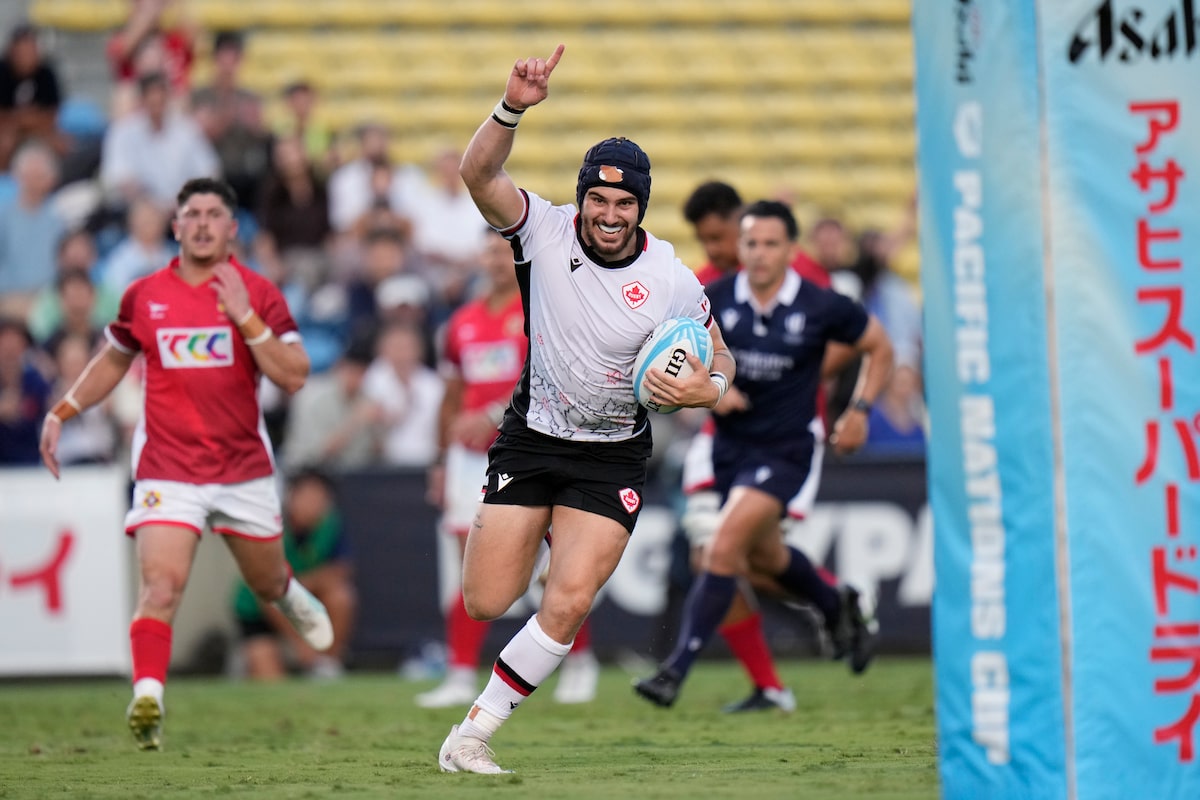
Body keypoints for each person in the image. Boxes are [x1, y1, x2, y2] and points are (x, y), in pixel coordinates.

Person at [436, 44, 734, 775]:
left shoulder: (668, 276)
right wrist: (512, 108)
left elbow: (719, 355)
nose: (607, 214)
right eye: (597, 200)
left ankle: (471, 735)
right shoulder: (541, 228)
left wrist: (710, 389)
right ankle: (537, 565)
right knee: (484, 599)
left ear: (641, 208)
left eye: (623, 203)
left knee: (567, 602)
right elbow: (478, 174)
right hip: (532, 438)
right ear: (583, 199)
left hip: (612, 454)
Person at [37, 177, 334, 751]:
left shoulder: (258, 292)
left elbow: (294, 374)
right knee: (161, 585)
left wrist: (247, 319)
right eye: (190, 213)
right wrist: (65, 408)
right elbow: (113, 359)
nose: (200, 222)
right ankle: (148, 696)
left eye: (213, 213)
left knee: (266, 579)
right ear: (175, 228)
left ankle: (289, 592)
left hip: (242, 467)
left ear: (230, 228)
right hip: (167, 468)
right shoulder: (143, 295)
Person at [634, 200, 894, 709]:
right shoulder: (716, 299)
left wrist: (859, 409)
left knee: (721, 548)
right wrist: (712, 387)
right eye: (751, 242)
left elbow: (879, 346)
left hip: (786, 450)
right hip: (729, 447)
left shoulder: (820, 305)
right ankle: (835, 603)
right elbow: (689, 358)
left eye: (771, 243)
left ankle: (674, 670)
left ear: (790, 250)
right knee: (764, 558)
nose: (759, 253)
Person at [417, 229, 597, 709]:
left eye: (504, 251)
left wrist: (495, 413)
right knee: (469, 568)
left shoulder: (538, 310)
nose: (496, 261)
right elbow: (452, 397)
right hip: (468, 458)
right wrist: (440, 457)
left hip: (527, 451)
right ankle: (459, 672)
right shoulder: (461, 323)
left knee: (550, 569)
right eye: (489, 252)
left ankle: (580, 662)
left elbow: (552, 379)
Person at [231, 467, 356, 680]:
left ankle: (328, 663)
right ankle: (249, 661)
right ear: (292, 497)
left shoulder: (330, 523)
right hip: (258, 614)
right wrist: (301, 647)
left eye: (320, 498)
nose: (314, 504)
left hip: (301, 602)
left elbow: (342, 570)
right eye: (308, 496)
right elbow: (268, 593)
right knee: (270, 680)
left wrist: (300, 585)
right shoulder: (270, 525)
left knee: (341, 595)